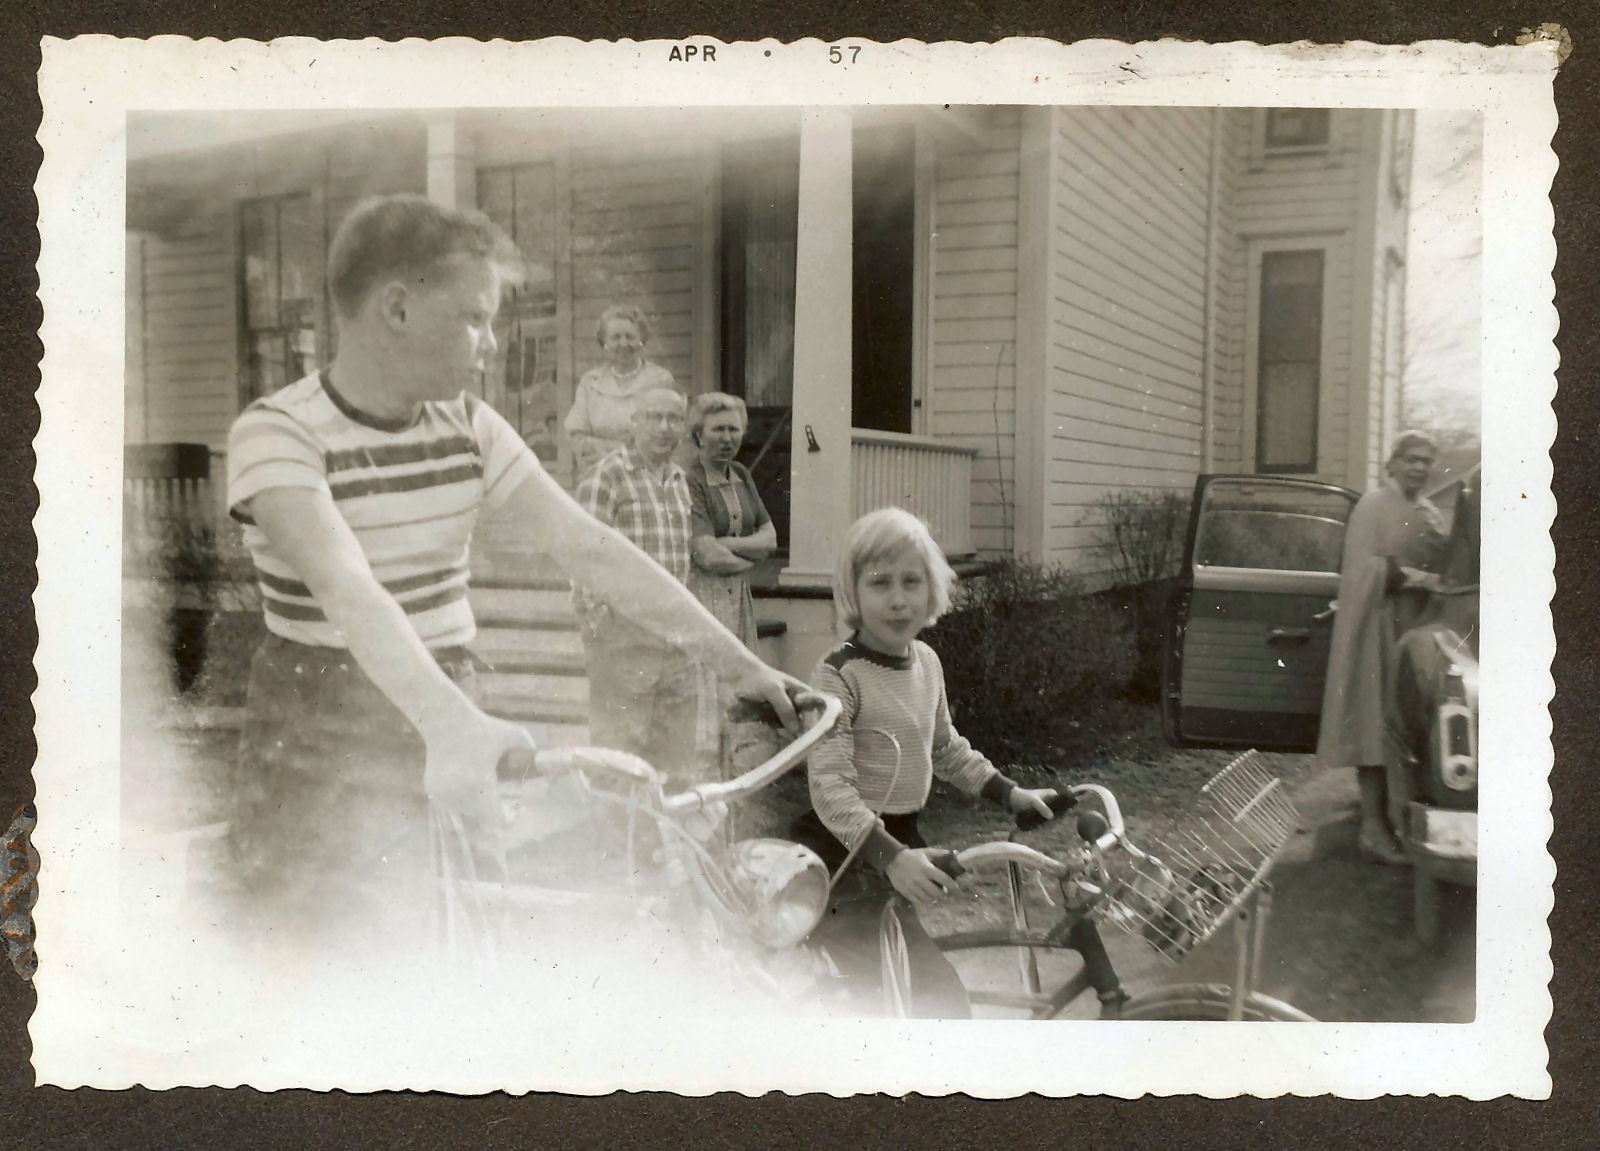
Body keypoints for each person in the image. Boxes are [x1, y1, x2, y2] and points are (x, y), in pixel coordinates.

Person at [219, 195, 809, 951]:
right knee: (321, 964)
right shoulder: (277, 430)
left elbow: (587, 545)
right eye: (474, 317)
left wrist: (739, 664)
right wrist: (452, 723)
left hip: (453, 697)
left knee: (465, 939)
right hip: (321, 720)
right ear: (396, 309)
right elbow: (348, 588)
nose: (491, 343)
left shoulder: (468, 424)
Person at [788, 508, 1062, 1017]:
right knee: (931, 1000)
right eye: (879, 583)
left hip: (898, 840)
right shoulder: (838, 675)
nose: (898, 599)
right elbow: (829, 787)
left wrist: (1011, 794)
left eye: (912, 582)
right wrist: (890, 855)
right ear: (853, 592)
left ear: (932, 589)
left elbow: (945, 746)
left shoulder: (927, 662)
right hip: (846, 856)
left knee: (896, 992)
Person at [1317, 430, 1448, 865]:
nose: (1419, 468)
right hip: (1378, 627)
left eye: (1426, 461)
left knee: (1412, 727)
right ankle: (1373, 828)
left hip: (1415, 631)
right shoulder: (1373, 505)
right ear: (1391, 463)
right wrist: (1418, 578)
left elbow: (1447, 567)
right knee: (1373, 724)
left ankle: (1404, 821)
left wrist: (1439, 550)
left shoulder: (1427, 511)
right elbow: (1362, 568)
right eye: (1410, 459)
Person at [575, 385, 711, 783]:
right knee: (618, 757)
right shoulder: (608, 476)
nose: (664, 428)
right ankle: (616, 843)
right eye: (654, 417)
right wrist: (603, 629)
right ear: (634, 422)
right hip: (625, 635)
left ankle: (662, 844)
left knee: (675, 758)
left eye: (674, 419)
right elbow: (584, 558)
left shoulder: (678, 480)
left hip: (675, 638)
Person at [684, 392, 777, 650]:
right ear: (699, 435)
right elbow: (706, 555)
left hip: (738, 596)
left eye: (734, 429)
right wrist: (751, 558)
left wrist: (727, 543)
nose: (727, 438)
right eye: (718, 429)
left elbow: (770, 539)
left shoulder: (741, 474)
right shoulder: (691, 480)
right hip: (703, 595)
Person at [563, 305, 678, 477]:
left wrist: (607, 447)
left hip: (647, 474)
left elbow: (666, 434)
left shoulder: (660, 379)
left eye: (630, 337)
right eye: (615, 337)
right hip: (599, 472)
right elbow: (576, 435)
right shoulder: (591, 382)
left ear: (642, 340)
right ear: (604, 342)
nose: (623, 344)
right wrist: (621, 452)